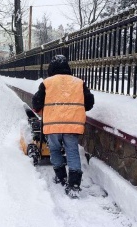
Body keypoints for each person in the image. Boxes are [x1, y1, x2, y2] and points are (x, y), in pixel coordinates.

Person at [32, 55, 94, 199]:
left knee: (54, 150)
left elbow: (36, 102)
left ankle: (61, 177)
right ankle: (74, 185)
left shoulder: (47, 83)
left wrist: (42, 111)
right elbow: (89, 102)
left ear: (51, 69)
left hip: (52, 126)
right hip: (72, 126)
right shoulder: (78, 83)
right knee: (72, 152)